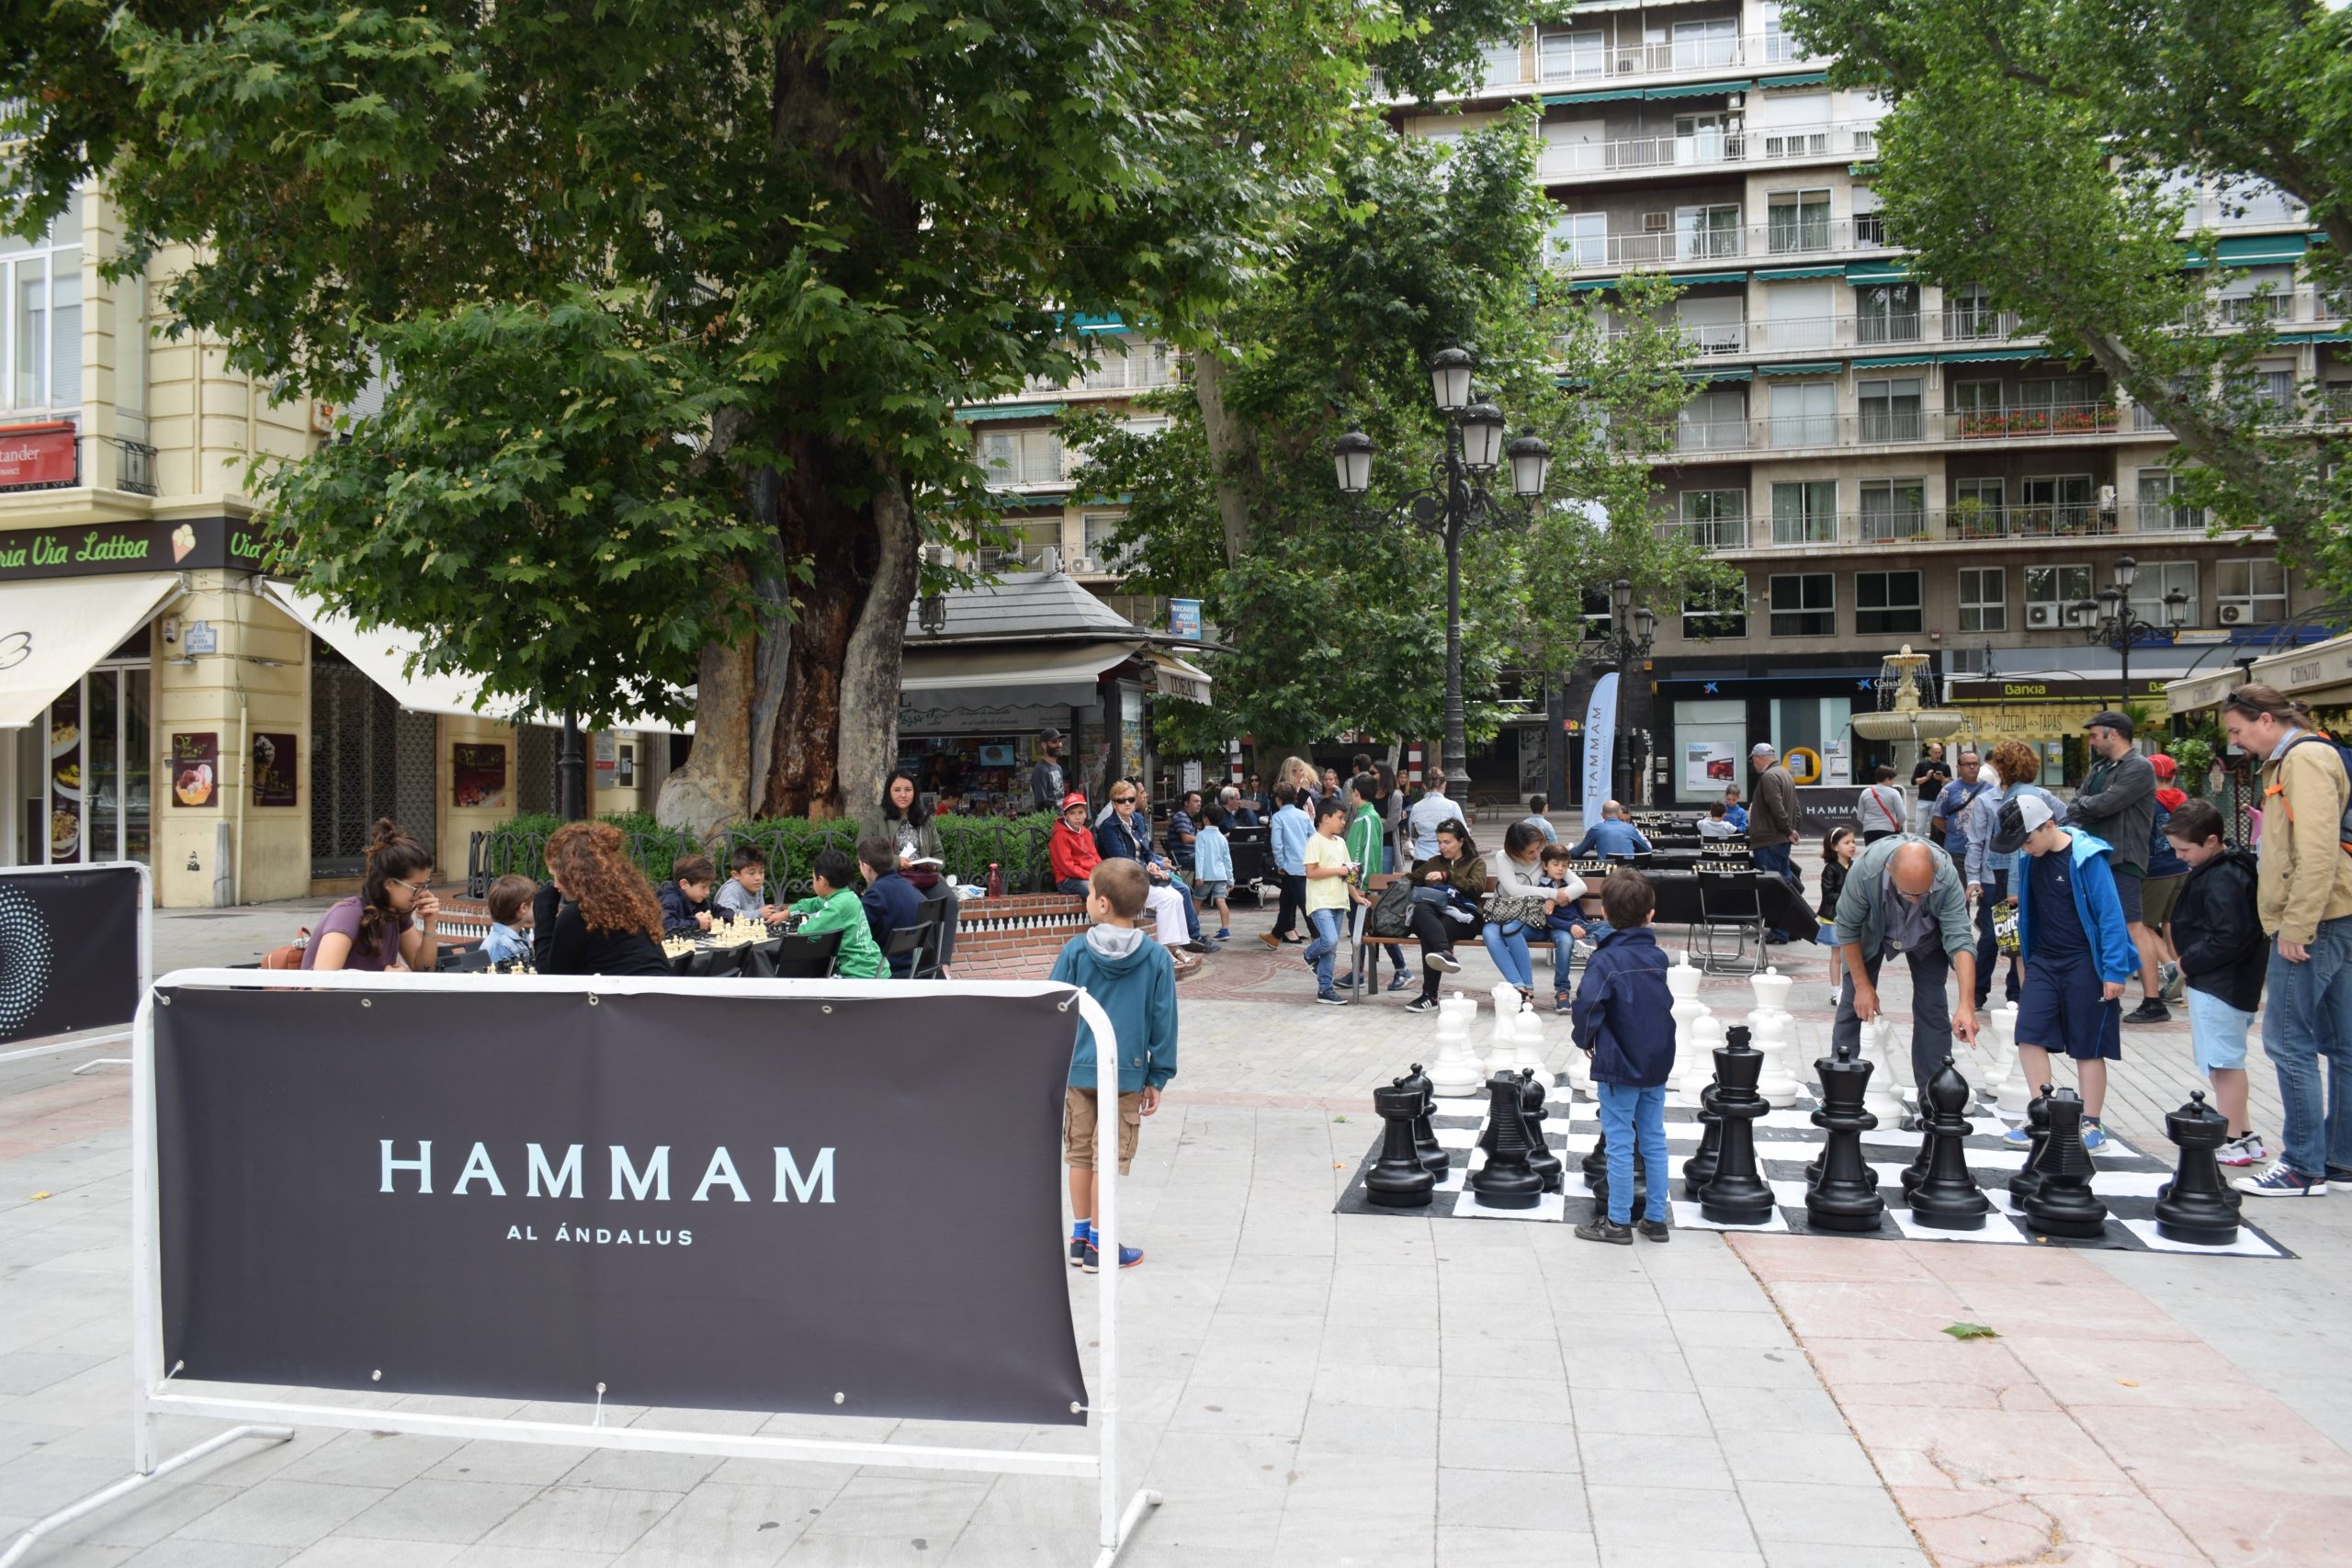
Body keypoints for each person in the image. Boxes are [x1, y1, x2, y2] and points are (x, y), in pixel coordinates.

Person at [2221, 684, 2352, 1196]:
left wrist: (2297, 924)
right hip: (2334, 914)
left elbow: (2317, 849)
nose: (2237, 742)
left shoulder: (2304, 759)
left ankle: (2302, 1166)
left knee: (2287, 1042)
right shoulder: (2302, 757)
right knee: (2340, 1045)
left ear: (2266, 720)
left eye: (2238, 730)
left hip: (2313, 923)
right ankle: (2339, 1161)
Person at [1990, 795, 2138, 1151]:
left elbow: (2111, 916)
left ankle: (2091, 1122)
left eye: (2028, 840)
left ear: (2049, 825)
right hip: (2044, 960)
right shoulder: (2031, 858)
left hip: (2085, 962)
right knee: (2028, 1034)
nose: (2025, 848)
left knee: (2087, 1045)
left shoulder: (2087, 858)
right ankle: (2042, 1113)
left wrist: (2115, 971)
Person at [1053, 858, 1179, 1271]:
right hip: (1126, 1073)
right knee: (1106, 1158)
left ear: (1102, 904)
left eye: (1090, 893)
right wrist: (1158, 1075)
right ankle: (1101, 1246)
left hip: (1077, 1069)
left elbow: (1055, 1005)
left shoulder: (1075, 950)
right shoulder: (1157, 958)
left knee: (1079, 1155)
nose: (1088, 900)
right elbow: (1164, 1022)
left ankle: (1081, 1236)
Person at [1830, 835, 1981, 1105]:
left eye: (1923, 893)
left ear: (1934, 871)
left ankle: (1933, 1096)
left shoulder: (1946, 877)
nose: (1915, 900)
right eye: (1908, 893)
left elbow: (1961, 940)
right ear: (1890, 870)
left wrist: (1967, 1004)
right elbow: (1848, 929)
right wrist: (1864, 987)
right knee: (1854, 1001)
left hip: (1927, 935)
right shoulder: (1866, 872)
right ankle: (1840, 1090)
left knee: (1933, 1005)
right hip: (1873, 931)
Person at [1571, 873, 1674, 1246]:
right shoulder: (1657, 955)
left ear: (1606, 913)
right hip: (1657, 1059)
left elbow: (1588, 1005)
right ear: (1651, 915)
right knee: (1653, 1139)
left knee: (1618, 1142)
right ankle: (1656, 1220)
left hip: (1619, 1063)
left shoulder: (1606, 959)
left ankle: (1616, 1222)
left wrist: (1584, 1038)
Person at [2166, 799, 2268, 1168]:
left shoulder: (2224, 875)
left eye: (2185, 849)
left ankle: (2231, 1139)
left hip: (2219, 983)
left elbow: (2229, 936)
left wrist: (2187, 962)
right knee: (2228, 1062)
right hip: (2228, 981)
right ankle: (2245, 1134)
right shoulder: (2229, 867)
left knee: (2223, 1065)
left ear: (2211, 841)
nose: (2180, 857)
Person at [2063, 710, 2165, 1021]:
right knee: (2101, 924)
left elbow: (2106, 803)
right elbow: (2078, 803)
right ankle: (2109, 994)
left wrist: (2087, 806)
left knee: (2132, 926)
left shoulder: (2139, 767)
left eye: (2095, 735)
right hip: (2096, 856)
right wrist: (2088, 806)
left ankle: (2153, 1000)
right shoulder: (2100, 767)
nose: (2091, 741)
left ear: (2114, 734)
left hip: (2123, 857)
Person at [1965, 739, 2062, 1010]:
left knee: (2013, 934)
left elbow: (2066, 818)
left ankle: (2015, 992)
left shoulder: (2035, 796)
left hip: (2015, 876)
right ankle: (1985, 992)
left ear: (2002, 766)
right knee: (1995, 936)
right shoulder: (1988, 799)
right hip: (1995, 876)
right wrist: (1974, 877)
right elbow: (1976, 842)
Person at [538, 820, 673, 977]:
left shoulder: (579, 915)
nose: (555, 884)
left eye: (555, 876)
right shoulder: (631, 905)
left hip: (626, 999)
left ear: (570, 876)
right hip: (662, 993)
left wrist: (543, 912)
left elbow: (551, 978)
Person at [304, 818, 440, 972]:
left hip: (366, 996)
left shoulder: (397, 914)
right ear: (389, 884)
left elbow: (423, 969)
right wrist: (382, 981)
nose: (423, 894)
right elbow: (321, 983)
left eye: (425, 885)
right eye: (416, 887)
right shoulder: (348, 914)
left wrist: (430, 924)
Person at [1096, 781, 1212, 954]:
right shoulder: (1108, 827)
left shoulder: (1138, 820)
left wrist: (1152, 863)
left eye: (1130, 799)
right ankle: (1164, 951)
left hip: (1143, 875)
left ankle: (1176, 947)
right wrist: (1147, 869)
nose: (1127, 803)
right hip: (1123, 879)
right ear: (1113, 803)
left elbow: (1148, 850)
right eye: (1121, 800)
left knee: (1177, 897)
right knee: (1167, 900)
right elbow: (1121, 859)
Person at [1404, 821, 1485, 1015]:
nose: (1442, 847)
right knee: (1423, 909)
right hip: (1434, 917)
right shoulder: (1433, 861)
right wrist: (1401, 884)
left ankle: (1429, 996)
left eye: (1447, 842)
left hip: (1463, 918)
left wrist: (1448, 876)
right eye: (1439, 842)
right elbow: (1411, 878)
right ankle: (1444, 951)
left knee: (1429, 931)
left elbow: (1477, 888)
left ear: (1461, 841)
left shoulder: (1476, 863)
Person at [1340, 773, 1411, 993]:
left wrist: (1359, 885)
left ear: (1355, 793)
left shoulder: (1367, 819)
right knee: (1362, 930)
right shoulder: (1366, 817)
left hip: (1362, 886)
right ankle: (1359, 972)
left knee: (1371, 928)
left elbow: (1367, 856)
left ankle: (1400, 969)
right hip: (1359, 884)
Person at [1481, 821, 1556, 1008]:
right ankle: (1520, 987)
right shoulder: (1503, 857)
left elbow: (1580, 886)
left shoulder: (1545, 856)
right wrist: (1549, 893)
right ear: (1515, 851)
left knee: (1510, 929)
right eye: (1531, 852)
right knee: (1489, 933)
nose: (1537, 855)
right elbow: (1513, 890)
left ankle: (1527, 988)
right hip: (1503, 912)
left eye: (1538, 848)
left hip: (1533, 919)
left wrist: (1557, 896)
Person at [786, 847, 885, 979]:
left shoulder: (836, 908)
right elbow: (818, 902)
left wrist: (790, 922)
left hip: (858, 974)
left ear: (822, 881)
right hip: (874, 966)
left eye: (813, 878)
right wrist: (789, 911)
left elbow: (808, 932)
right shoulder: (849, 897)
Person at [1301, 799, 1357, 1004]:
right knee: (1330, 940)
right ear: (1325, 818)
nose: (1343, 822)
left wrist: (1356, 896)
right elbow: (1311, 872)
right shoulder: (1314, 841)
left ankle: (1325, 990)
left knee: (1331, 951)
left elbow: (1349, 873)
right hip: (1320, 901)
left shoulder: (1340, 843)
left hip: (1339, 901)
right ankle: (1308, 955)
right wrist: (1339, 870)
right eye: (1340, 818)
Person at [1537, 840, 1594, 1012]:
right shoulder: (1542, 888)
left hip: (1579, 925)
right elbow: (1547, 918)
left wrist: (1584, 927)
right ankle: (1562, 990)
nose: (1561, 869)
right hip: (1559, 929)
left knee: (1610, 929)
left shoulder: (1570, 886)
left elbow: (1578, 911)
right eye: (1556, 865)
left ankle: (1587, 944)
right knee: (1565, 942)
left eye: (1565, 865)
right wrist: (1570, 927)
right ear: (1545, 865)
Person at [858, 836, 926, 976]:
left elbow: (856, 933)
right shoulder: (909, 887)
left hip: (885, 971)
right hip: (913, 967)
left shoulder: (876, 895)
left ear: (866, 867)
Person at [868, 771, 945, 883]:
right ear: (888, 792)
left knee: (951, 900)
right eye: (897, 790)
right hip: (893, 878)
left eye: (908, 790)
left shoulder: (925, 818)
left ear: (915, 792)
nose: (903, 795)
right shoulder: (876, 818)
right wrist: (897, 862)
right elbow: (866, 853)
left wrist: (934, 866)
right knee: (918, 899)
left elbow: (939, 855)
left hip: (925, 876)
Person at [1262, 782, 1312, 948]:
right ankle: (1275, 935)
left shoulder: (1278, 817)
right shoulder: (1304, 815)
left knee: (1305, 905)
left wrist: (1280, 863)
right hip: (1305, 863)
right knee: (1287, 901)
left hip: (1290, 866)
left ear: (1278, 799)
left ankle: (1320, 937)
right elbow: (1313, 837)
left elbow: (1276, 844)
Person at [1747, 743, 1801, 891]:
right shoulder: (1785, 773)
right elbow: (1796, 808)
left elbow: (1777, 807)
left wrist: (1789, 831)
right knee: (1784, 883)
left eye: (1752, 761)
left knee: (1770, 887)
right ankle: (1788, 913)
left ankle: (1775, 914)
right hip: (1780, 840)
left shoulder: (1769, 776)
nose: (1753, 765)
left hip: (1769, 842)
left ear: (1759, 758)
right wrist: (1792, 829)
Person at [1818, 827, 1858, 995]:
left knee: (1852, 955)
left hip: (1851, 916)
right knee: (1838, 955)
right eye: (1847, 842)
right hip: (1834, 917)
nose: (1852, 846)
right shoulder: (1830, 869)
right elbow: (1828, 895)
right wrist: (1848, 897)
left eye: (1854, 842)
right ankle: (1836, 991)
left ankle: (1851, 989)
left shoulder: (1854, 866)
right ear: (1835, 847)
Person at [1933, 749, 1990, 863]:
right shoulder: (1948, 790)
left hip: (1985, 851)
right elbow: (1937, 818)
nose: (1972, 767)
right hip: (1957, 851)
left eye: (1975, 764)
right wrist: (1954, 831)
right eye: (1968, 764)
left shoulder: (1990, 789)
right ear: (1958, 768)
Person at [1193, 807, 1235, 942]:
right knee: (1221, 900)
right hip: (1221, 875)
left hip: (1205, 875)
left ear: (1205, 819)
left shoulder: (1201, 835)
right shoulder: (1222, 838)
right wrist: (1230, 879)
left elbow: (1200, 856)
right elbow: (1227, 860)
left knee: (1197, 900)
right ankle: (1225, 929)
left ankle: (1192, 929)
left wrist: (1199, 876)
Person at [714, 844, 785, 923]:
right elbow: (726, 916)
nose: (758, 877)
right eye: (751, 873)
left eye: (761, 872)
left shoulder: (758, 887)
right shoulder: (731, 890)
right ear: (736, 875)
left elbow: (761, 914)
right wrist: (758, 914)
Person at [480, 874, 538, 966]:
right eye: (535, 905)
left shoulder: (520, 936)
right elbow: (501, 979)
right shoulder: (500, 946)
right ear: (523, 908)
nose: (538, 909)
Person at [1051, 793, 1102, 895]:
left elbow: (1095, 856)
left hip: (1089, 876)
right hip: (1067, 880)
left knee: (1115, 886)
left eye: (1080, 812)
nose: (1077, 817)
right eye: (1072, 813)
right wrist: (1091, 876)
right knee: (1096, 891)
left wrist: (1101, 871)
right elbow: (1067, 867)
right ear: (1065, 816)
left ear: (1085, 814)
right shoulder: (1060, 836)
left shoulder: (1086, 832)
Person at [1567, 799, 1652, 860]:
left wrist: (1568, 849)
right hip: (1628, 873)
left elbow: (1576, 853)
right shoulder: (1631, 829)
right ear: (1620, 813)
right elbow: (1647, 851)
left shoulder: (1596, 830)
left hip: (1607, 875)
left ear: (1602, 815)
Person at [658, 854, 718, 938]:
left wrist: (720, 921)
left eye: (709, 887)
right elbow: (666, 925)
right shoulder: (670, 900)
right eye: (703, 887)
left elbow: (724, 911)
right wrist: (697, 923)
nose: (708, 892)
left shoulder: (697, 900)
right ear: (684, 884)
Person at [1406, 767, 1457, 862]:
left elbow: (1413, 834)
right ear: (1444, 785)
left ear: (1424, 786)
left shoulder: (1416, 808)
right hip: (1445, 859)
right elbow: (1463, 833)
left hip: (1421, 859)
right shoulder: (1452, 806)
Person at [1856, 764, 1909, 844]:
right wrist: (1897, 826)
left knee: (1872, 855)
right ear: (1887, 779)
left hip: (1869, 831)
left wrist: (1869, 824)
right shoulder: (1894, 793)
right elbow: (1902, 815)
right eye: (1892, 780)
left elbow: (1859, 816)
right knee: (1887, 855)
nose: (1893, 783)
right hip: (1888, 830)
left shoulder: (1865, 792)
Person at [1912, 741, 1951, 838]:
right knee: (1920, 827)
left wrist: (1942, 778)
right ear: (1930, 752)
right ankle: (1919, 846)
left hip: (1938, 801)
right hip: (1923, 800)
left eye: (1940, 753)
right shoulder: (1921, 765)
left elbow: (1950, 783)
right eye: (1936, 752)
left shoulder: (1945, 766)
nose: (1938, 755)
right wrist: (1926, 777)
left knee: (1936, 829)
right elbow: (1913, 781)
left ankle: (1934, 847)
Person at [1028, 728, 1069, 814]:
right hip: (1049, 821)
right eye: (1054, 742)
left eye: (1060, 741)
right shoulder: (1041, 769)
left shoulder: (1058, 768)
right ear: (1044, 745)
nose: (1059, 745)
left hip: (1061, 818)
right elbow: (1041, 803)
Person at [1166, 788, 1202, 875]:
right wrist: (1206, 839)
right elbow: (1186, 838)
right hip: (1182, 858)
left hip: (1187, 856)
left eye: (1200, 802)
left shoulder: (1187, 818)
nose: (1199, 804)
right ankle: (1204, 888)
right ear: (1186, 803)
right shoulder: (1181, 817)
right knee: (1211, 858)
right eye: (1196, 801)